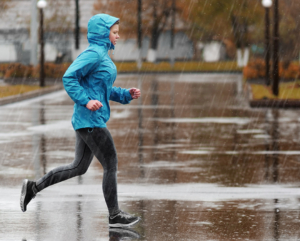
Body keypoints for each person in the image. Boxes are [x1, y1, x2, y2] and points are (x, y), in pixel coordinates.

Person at [20, 13, 141, 228]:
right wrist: (86, 101)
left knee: (78, 167)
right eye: (115, 32)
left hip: (89, 120)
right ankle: (114, 215)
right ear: (104, 33)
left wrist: (125, 95)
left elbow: (102, 89)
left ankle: (33, 188)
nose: (118, 36)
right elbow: (69, 77)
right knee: (111, 162)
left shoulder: (102, 55)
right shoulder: (94, 54)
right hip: (90, 120)